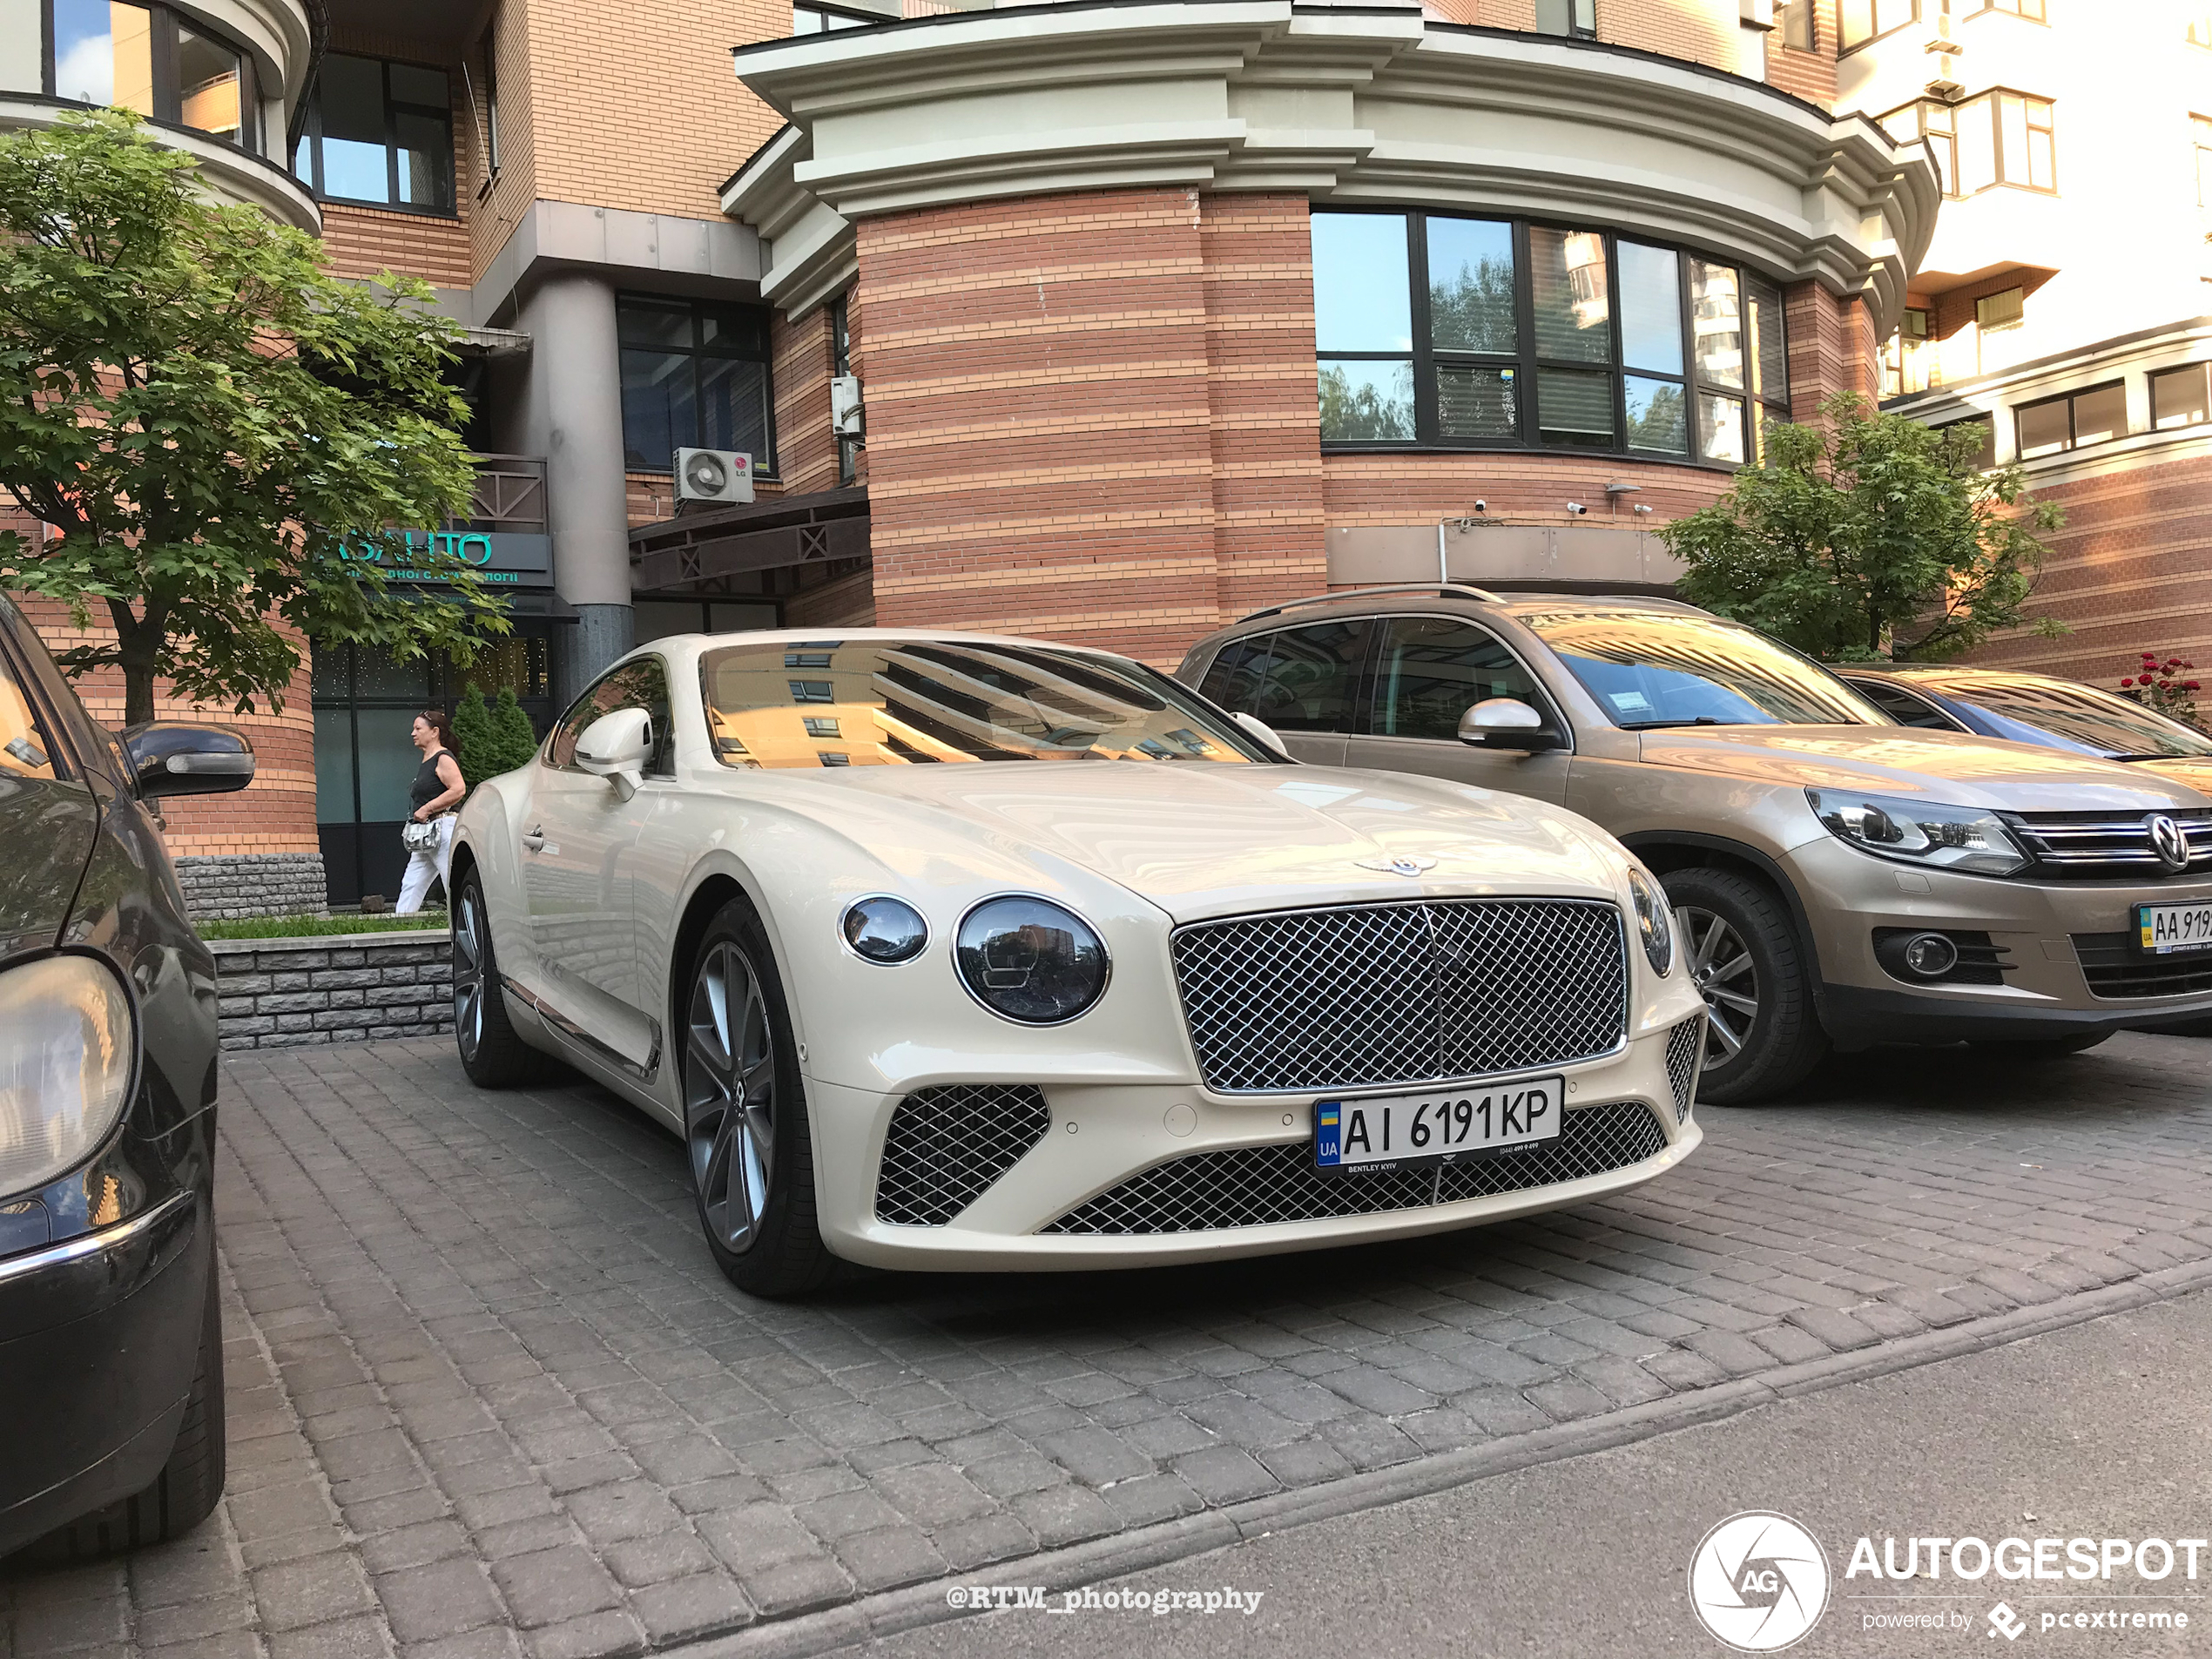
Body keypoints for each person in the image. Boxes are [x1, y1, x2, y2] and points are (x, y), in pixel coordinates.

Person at [396, 709, 465, 915]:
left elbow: (459, 789)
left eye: (418, 728)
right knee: (412, 880)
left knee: (451, 879)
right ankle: (402, 921)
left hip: (442, 829)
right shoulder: (429, 760)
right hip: (427, 833)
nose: (413, 733)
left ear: (434, 732)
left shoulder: (443, 758)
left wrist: (426, 808)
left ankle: (467, 922)